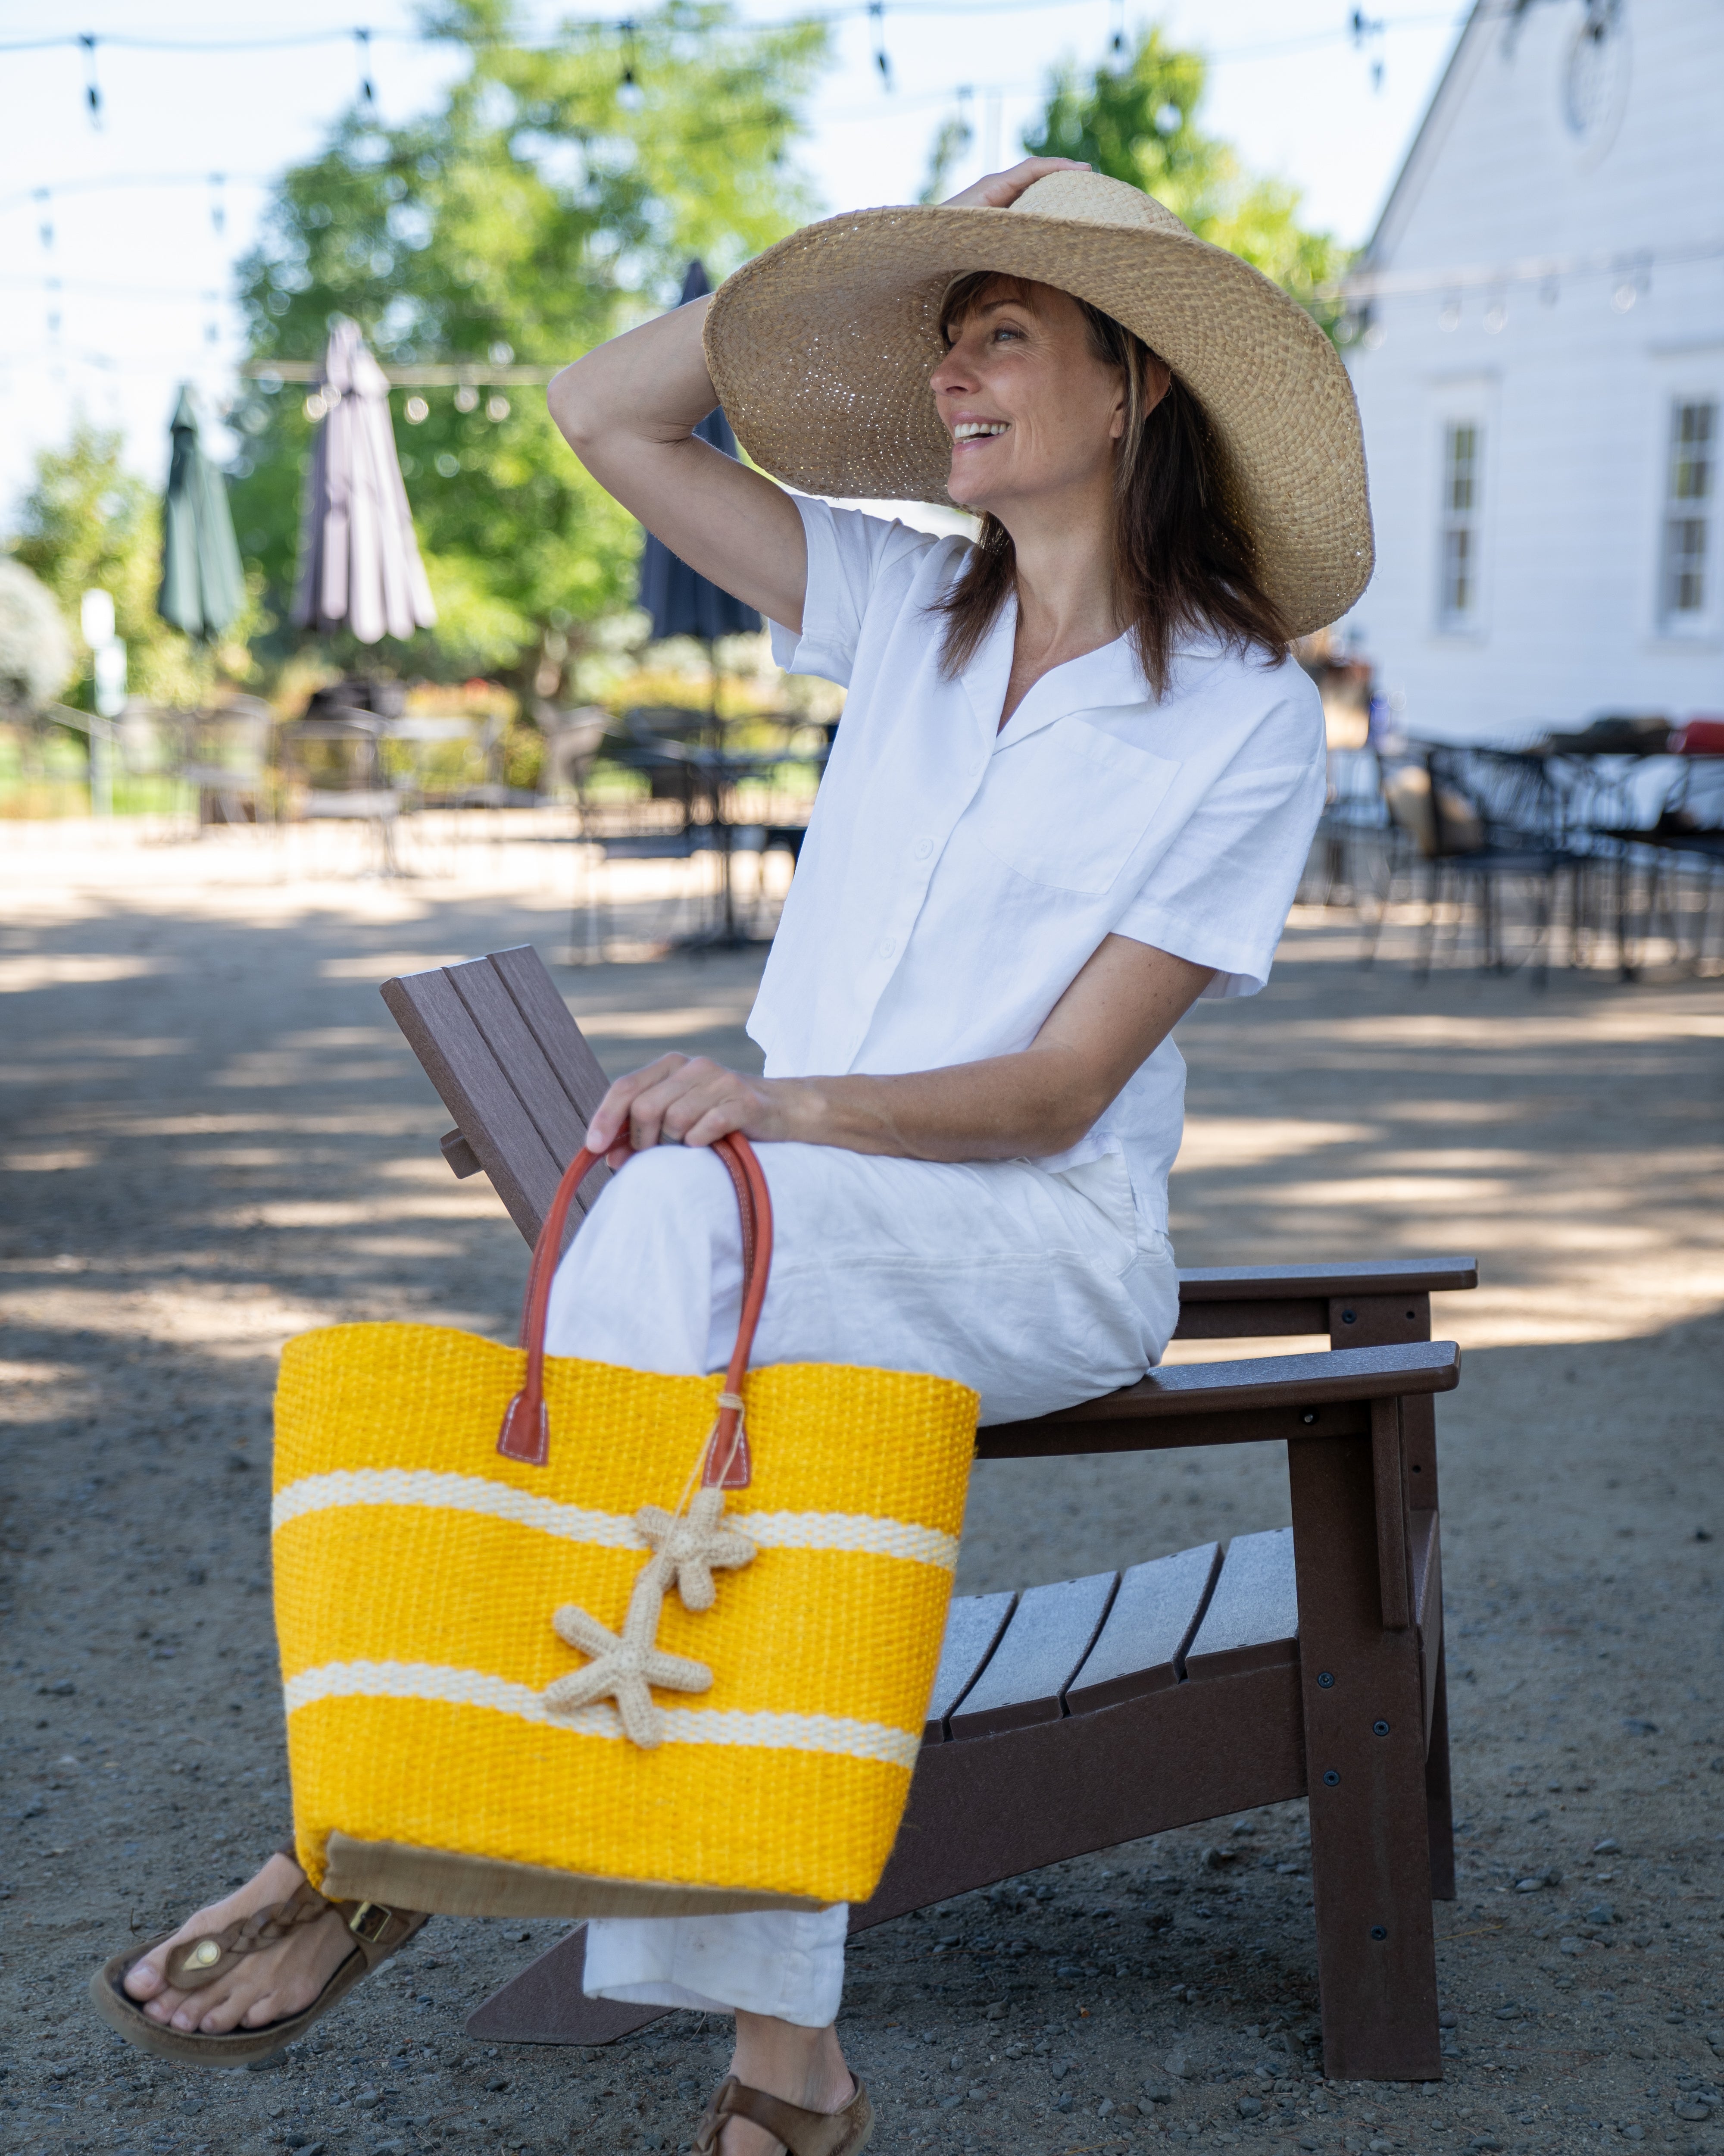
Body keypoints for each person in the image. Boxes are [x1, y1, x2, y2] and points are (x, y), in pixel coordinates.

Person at [93, 157, 1370, 2156]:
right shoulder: (901, 609)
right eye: (942, 338)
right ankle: (781, 2065)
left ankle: (402, 1833)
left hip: (1036, 1242)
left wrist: (772, 1106)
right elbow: (600, 411)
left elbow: (1055, 1092)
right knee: (681, 1271)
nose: (953, 371)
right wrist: (877, 238)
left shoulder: (1239, 716)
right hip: (779, 1220)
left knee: (681, 1221)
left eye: (1003, 332)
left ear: (1133, 385)